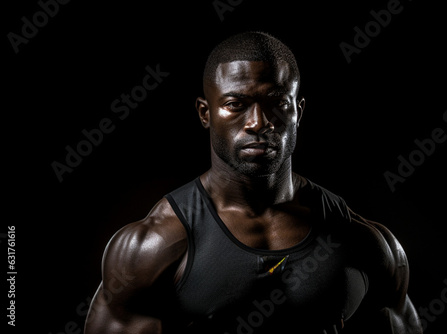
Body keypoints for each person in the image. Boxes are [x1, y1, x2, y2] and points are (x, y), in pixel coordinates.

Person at [84, 31, 422, 334]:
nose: (258, 122)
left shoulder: (363, 241)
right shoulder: (153, 247)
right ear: (206, 113)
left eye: (277, 103)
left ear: (297, 113)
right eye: (236, 104)